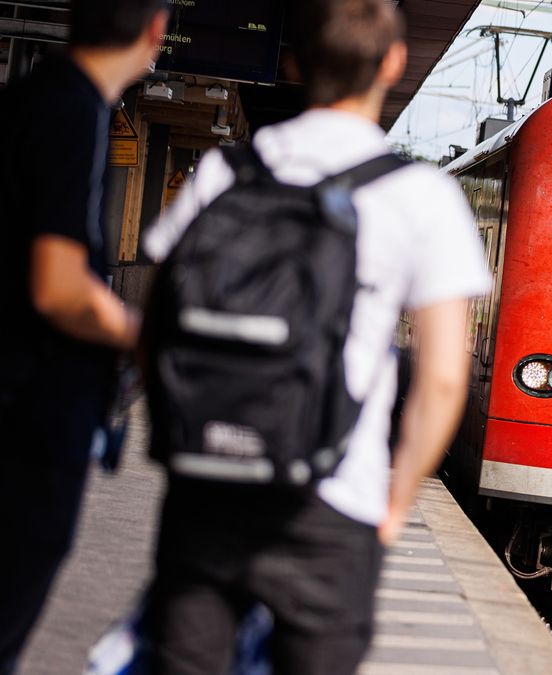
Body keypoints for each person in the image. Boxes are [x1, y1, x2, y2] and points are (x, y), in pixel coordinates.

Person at [139, 1, 491, 672]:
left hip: (208, 492)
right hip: (334, 499)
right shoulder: (419, 196)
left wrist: (184, 437)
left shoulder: (224, 173)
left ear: (292, 62)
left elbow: (156, 324)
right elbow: (445, 377)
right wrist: (392, 505)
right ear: (392, 63)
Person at [0, 2, 167, 671]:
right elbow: (60, 287)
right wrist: (145, 333)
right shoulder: (74, 111)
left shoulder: (28, 101)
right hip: (29, 419)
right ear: (155, 32)